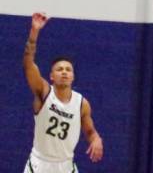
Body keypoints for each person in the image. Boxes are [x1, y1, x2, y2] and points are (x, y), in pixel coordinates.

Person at [23, 12, 104, 173]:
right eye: (59, 69)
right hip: (40, 164)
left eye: (68, 69)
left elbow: (89, 131)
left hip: (65, 166)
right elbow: (28, 64)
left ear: (73, 76)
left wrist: (96, 139)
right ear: (51, 76)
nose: (64, 72)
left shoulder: (81, 103)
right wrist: (34, 31)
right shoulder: (44, 92)